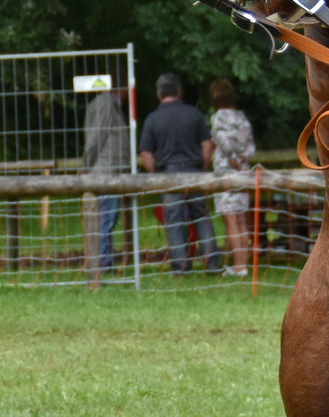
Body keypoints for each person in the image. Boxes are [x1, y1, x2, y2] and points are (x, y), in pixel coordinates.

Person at [139, 73, 220, 275]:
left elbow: (146, 154)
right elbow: (207, 144)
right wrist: (202, 167)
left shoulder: (152, 119)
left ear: (159, 94)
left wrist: (157, 175)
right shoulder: (194, 114)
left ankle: (180, 266)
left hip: (168, 174)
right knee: (201, 216)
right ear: (179, 91)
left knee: (174, 221)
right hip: (194, 171)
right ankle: (212, 262)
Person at [209, 79, 256, 277]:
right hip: (243, 172)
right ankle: (243, 265)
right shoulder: (242, 118)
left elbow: (223, 143)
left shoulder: (218, 118)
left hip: (226, 171)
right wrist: (243, 159)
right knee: (242, 221)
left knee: (231, 221)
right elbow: (251, 146)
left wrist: (233, 160)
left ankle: (239, 267)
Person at [82, 87, 130, 275]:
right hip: (105, 172)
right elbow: (95, 138)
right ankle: (102, 264)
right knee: (105, 219)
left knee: (107, 219)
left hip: (109, 170)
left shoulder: (107, 104)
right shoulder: (106, 105)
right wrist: (86, 165)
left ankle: (104, 261)